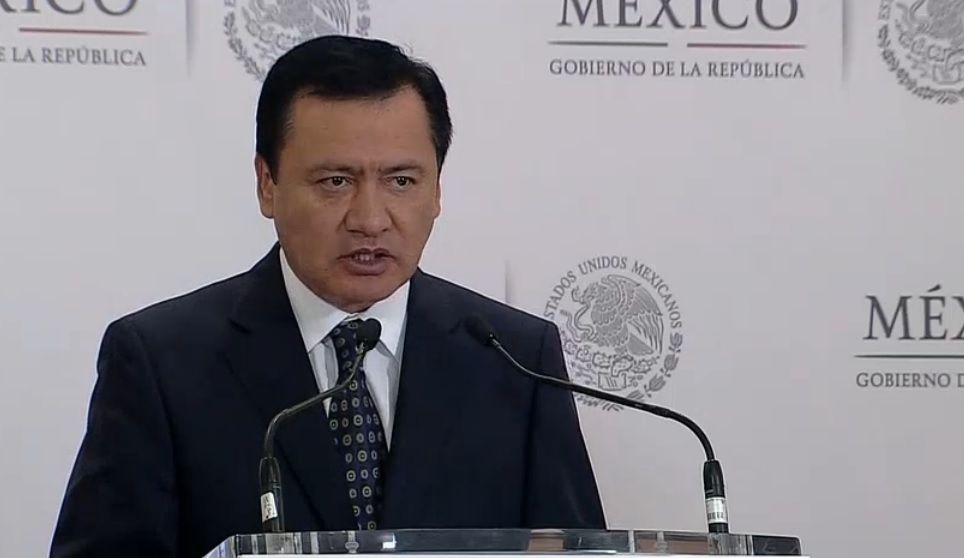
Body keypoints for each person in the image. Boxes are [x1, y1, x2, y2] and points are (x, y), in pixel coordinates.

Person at [50, 36, 605, 558]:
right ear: (267, 184)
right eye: (335, 181)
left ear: (437, 189)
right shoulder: (161, 364)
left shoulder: (514, 359)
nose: (370, 219)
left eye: (401, 181)